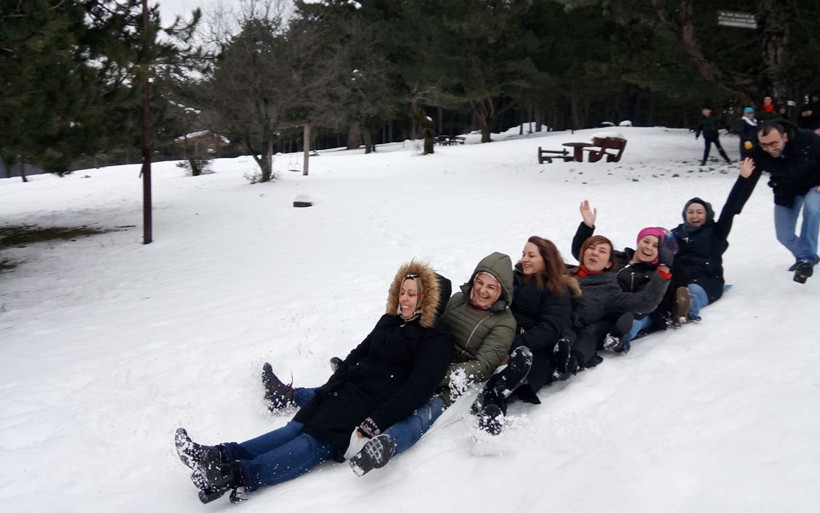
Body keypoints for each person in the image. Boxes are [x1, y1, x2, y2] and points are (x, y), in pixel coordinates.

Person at [173, 261, 454, 503]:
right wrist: (334, 382)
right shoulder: (390, 320)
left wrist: (377, 421)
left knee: (312, 443)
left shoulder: (435, 339)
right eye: (402, 292)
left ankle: (236, 474)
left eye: (412, 294)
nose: (403, 299)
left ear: (427, 299)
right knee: (293, 429)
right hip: (343, 391)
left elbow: (417, 389)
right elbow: (360, 351)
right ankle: (217, 454)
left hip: (370, 406)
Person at [262, 253, 518, 476]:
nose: (482, 290)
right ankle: (290, 395)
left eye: (491, 287)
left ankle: (384, 445)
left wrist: (434, 373)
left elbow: (483, 365)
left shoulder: (504, 323)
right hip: (425, 359)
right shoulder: (458, 300)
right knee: (360, 388)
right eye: (479, 282)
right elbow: (431, 323)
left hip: (449, 379)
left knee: (417, 415)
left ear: (501, 292)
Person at [472, 236, 579, 435]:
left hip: (536, 345)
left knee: (523, 368)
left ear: (546, 259)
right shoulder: (514, 279)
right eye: (523, 254)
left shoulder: (557, 289)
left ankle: (491, 410)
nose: (524, 259)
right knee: (507, 371)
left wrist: (515, 346)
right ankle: (500, 392)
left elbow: (550, 327)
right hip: (504, 334)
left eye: (531, 255)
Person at [567, 232, 672, 366]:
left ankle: (619, 338)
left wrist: (664, 268)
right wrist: (586, 227)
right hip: (596, 301)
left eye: (656, 246)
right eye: (646, 241)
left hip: (619, 308)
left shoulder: (649, 274)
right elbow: (582, 252)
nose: (649, 247)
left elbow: (645, 300)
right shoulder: (618, 257)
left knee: (596, 330)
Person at [737, 120, 820, 283]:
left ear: (785, 137)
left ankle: (805, 260)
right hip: (786, 189)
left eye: (774, 143)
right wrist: (733, 211)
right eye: (764, 145)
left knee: (813, 209)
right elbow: (745, 185)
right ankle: (808, 258)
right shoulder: (758, 153)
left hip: (814, 184)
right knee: (784, 235)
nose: (769, 148)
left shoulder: (807, 139)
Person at [657, 186, 751, 324]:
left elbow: (730, 208)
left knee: (692, 292)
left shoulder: (716, 232)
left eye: (699, 212)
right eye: (691, 212)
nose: (694, 216)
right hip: (679, 279)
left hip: (707, 280)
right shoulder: (675, 234)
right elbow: (662, 255)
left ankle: (685, 311)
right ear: (685, 214)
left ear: (707, 215)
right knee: (663, 291)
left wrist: (744, 180)